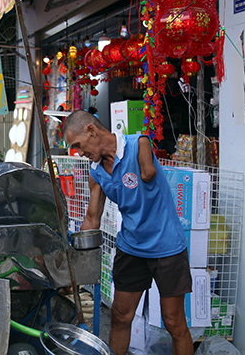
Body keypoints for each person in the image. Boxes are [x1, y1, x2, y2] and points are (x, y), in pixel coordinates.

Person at [62, 110, 193, 355]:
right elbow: (92, 217)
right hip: (131, 247)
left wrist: (135, 163)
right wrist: (75, 255)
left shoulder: (138, 143)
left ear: (91, 130)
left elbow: (148, 172)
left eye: (78, 145)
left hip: (167, 247)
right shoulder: (96, 171)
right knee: (121, 316)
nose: (79, 153)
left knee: (174, 322)